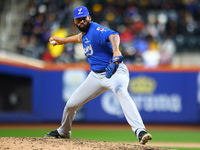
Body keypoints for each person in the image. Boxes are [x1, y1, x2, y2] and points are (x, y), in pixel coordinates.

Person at [44, 6, 152, 145]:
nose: (82, 22)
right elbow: (80, 38)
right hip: (95, 76)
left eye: (84, 19)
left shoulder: (96, 30)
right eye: (78, 20)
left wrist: (116, 51)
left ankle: (140, 131)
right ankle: (64, 132)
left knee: (120, 91)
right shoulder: (86, 33)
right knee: (71, 105)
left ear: (89, 18)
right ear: (75, 22)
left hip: (115, 71)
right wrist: (63, 41)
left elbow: (113, 35)